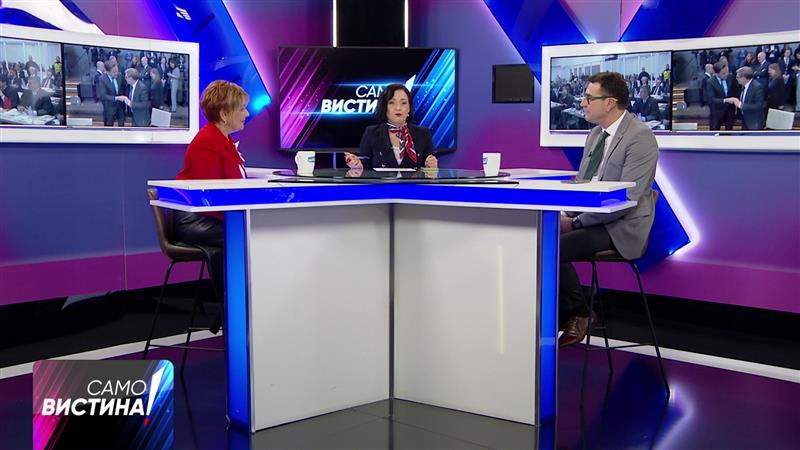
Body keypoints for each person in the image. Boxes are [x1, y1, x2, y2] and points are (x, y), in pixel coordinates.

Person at [558, 72, 658, 347]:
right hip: (592, 219)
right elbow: (583, 184)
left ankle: (578, 314)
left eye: (589, 98)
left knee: (552, 248)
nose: (583, 103)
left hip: (622, 226)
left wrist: (576, 223)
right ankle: (568, 315)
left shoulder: (640, 136)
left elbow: (626, 198)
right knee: (540, 239)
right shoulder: (595, 134)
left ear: (610, 102)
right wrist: (567, 214)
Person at [174, 81, 250, 326]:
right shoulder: (207, 142)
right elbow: (210, 198)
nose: (247, 113)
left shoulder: (224, 140)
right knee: (246, 234)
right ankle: (234, 312)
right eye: (241, 109)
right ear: (225, 113)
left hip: (214, 217)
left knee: (248, 233)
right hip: (196, 219)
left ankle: (233, 311)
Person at [344, 83, 437, 170]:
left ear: (409, 108)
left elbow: (429, 170)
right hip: (382, 182)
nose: (398, 108)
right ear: (385, 107)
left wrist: (432, 167)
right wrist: (357, 165)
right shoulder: (371, 133)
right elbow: (365, 168)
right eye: (392, 102)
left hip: (413, 183)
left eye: (403, 103)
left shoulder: (423, 134)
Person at [729, 66, 765, 130]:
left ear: (744, 78)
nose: (736, 79)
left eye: (737, 77)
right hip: (745, 119)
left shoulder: (757, 87)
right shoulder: (744, 86)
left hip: (753, 121)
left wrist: (740, 105)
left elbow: (758, 105)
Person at [705, 61, 736, 130]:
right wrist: (725, 100)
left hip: (730, 111)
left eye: (727, 72)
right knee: (715, 131)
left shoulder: (731, 78)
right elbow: (711, 98)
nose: (726, 74)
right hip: (717, 111)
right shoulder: (710, 82)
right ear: (716, 73)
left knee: (729, 131)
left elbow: (735, 91)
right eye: (724, 73)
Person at [98, 61, 127, 126]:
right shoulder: (102, 79)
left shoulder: (120, 76)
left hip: (120, 107)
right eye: (114, 72)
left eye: (117, 71)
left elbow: (124, 89)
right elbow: (103, 96)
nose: (116, 73)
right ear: (107, 72)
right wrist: (117, 98)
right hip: (109, 108)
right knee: (109, 127)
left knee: (122, 127)